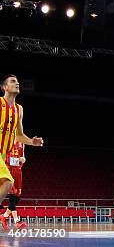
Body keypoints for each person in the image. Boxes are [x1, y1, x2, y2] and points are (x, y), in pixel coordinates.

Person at [0, 75, 44, 232]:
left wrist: (32, 141)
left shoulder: (19, 109)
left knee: (8, 183)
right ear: (4, 87)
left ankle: (4, 216)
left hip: (2, 156)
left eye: (17, 81)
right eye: (13, 81)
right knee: (7, 183)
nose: (17, 83)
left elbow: (19, 135)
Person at [1, 141, 26, 230]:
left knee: (17, 198)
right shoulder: (5, 141)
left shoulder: (22, 143)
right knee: (12, 195)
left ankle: (4, 216)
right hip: (8, 170)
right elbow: (3, 158)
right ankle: (16, 221)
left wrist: (23, 159)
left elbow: (23, 156)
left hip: (18, 171)